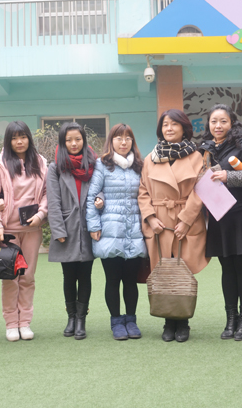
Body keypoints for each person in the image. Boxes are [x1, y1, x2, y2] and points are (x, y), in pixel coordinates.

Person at [138, 109, 210, 343]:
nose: (169, 128)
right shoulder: (150, 158)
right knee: (164, 272)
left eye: (174, 124)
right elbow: (143, 191)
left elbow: (201, 190)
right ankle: (168, 321)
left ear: (184, 128)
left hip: (185, 221)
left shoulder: (197, 157)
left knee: (182, 271)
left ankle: (183, 322)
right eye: (165, 125)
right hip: (159, 224)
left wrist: (186, 220)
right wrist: (150, 218)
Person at [199, 104, 242, 341]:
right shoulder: (205, 150)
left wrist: (229, 176)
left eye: (223, 121)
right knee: (227, 269)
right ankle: (231, 319)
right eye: (214, 121)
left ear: (232, 123)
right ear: (208, 124)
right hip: (219, 216)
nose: (218, 126)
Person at [0, 121, 48, 342]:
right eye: (14, 138)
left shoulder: (40, 162)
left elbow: (47, 193)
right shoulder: (0, 164)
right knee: (10, 278)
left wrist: (41, 214)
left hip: (32, 229)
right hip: (9, 230)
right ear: (8, 141)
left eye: (23, 137)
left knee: (28, 277)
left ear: (29, 138)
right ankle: (11, 323)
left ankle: (25, 323)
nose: (19, 141)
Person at [86, 123, 147, 340]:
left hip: (135, 229)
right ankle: (116, 322)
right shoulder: (102, 165)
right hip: (109, 230)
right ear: (111, 141)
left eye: (128, 138)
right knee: (112, 280)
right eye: (119, 138)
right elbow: (92, 197)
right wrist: (94, 226)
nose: (123, 142)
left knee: (130, 280)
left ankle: (131, 320)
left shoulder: (139, 166)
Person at [47, 122, 102, 340]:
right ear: (63, 142)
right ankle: (71, 317)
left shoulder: (94, 164)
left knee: (85, 275)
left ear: (83, 140)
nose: (73, 143)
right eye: (68, 140)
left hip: (89, 227)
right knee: (68, 276)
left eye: (77, 139)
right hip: (67, 229)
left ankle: (81, 319)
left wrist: (101, 199)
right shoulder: (55, 167)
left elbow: (102, 189)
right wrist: (58, 230)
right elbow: (53, 201)